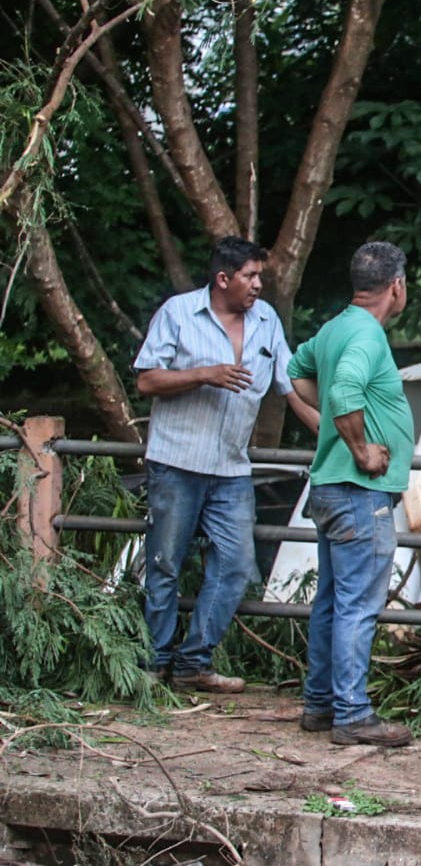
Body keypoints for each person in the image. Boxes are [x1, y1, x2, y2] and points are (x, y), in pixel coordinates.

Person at [134, 236, 320, 692]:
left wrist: (333, 432)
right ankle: (152, 664)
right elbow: (146, 380)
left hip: (233, 468)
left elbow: (289, 385)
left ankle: (194, 662)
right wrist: (204, 373)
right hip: (176, 461)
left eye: (260, 276)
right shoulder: (178, 313)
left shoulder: (266, 321)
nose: (258, 285)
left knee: (236, 564)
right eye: (250, 276)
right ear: (223, 279)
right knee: (164, 563)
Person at [288, 241, 415, 747]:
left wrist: (337, 432)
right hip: (360, 491)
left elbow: (298, 373)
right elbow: (342, 390)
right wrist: (359, 447)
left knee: (332, 603)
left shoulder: (335, 327)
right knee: (359, 606)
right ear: (396, 286)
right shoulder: (366, 336)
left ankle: (321, 705)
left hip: (330, 490)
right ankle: (353, 714)